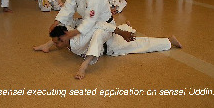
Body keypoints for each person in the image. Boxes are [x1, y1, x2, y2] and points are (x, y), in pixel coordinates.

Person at [33, 23, 182, 80]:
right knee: (110, 31)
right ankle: (126, 26)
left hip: (111, 45)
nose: (55, 45)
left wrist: (83, 67)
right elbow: (57, 36)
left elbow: (99, 30)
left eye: (55, 43)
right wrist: (45, 46)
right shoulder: (68, 34)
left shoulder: (78, 41)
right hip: (108, 34)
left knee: (141, 45)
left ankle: (169, 41)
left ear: (64, 37)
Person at [49, 0, 134, 64]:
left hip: (104, 25)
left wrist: (75, 32)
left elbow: (91, 20)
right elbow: (68, 7)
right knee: (63, 23)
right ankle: (57, 41)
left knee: (96, 34)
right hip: (89, 23)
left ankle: (89, 58)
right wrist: (56, 22)